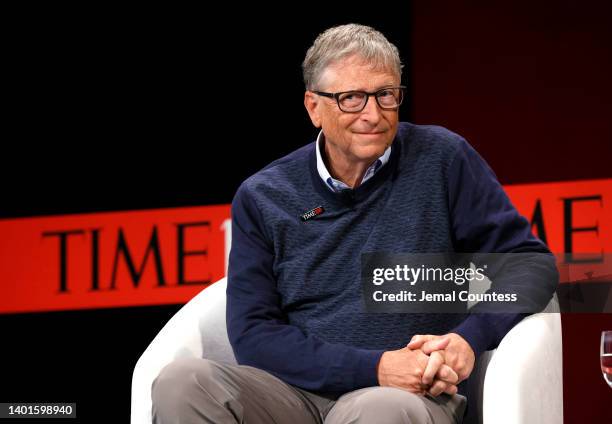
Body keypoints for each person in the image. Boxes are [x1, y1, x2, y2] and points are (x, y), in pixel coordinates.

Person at [152, 24, 557, 423]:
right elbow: (253, 335)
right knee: (182, 382)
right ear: (314, 107)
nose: (373, 115)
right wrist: (376, 366)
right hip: (293, 395)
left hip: (407, 393)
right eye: (351, 99)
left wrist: (469, 339)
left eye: (385, 95)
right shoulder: (264, 196)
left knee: (378, 409)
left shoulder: (443, 159)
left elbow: (530, 264)